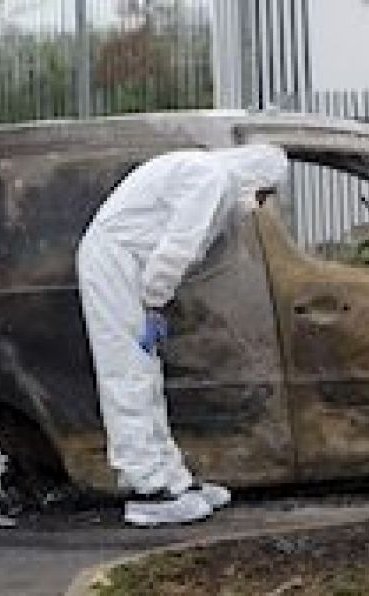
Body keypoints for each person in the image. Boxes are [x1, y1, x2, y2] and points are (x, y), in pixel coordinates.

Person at [76, 144, 289, 526]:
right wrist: (155, 299)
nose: (259, 204)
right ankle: (148, 488)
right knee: (127, 374)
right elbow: (179, 247)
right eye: (264, 194)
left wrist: (153, 300)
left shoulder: (212, 178)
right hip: (114, 263)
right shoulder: (210, 178)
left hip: (128, 266)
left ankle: (172, 479)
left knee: (146, 375)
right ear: (256, 176)